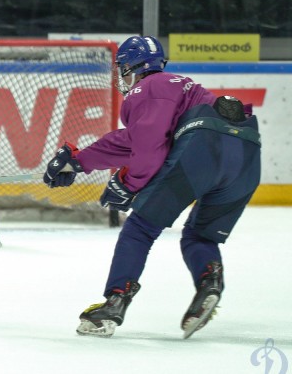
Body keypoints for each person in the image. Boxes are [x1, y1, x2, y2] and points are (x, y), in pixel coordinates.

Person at [43, 36, 261, 338]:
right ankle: (209, 281)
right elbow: (137, 140)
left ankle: (114, 304)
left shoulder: (147, 88)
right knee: (199, 236)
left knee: (140, 229)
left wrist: (128, 183)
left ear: (132, 67)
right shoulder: (180, 86)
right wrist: (80, 162)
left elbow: (148, 149)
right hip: (247, 157)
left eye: (122, 68)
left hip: (205, 150)